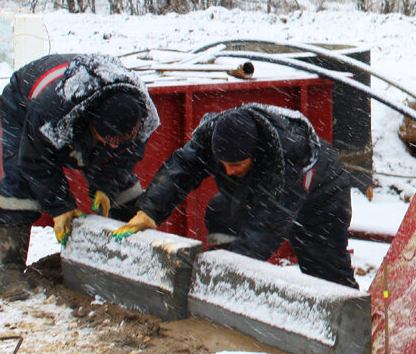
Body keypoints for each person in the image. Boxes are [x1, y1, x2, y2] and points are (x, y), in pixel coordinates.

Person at [113, 104, 358, 289]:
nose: (228, 171)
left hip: (323, 195)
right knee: (220, 212)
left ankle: (356, 332)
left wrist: (229, 268)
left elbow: (266, 230)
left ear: (255, 154)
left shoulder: (292, 156)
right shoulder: (214, 135)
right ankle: (228, 294)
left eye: (237, 164)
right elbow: (182, 167)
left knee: (325, 272)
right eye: (223, 164)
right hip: (261, 188)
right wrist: (150, 211)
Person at [0, 54, 160, 301]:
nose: (113, 148)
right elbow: (35, 161)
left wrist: (107, 186)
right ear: (92, 125)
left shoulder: (143, 115)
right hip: (26, 100)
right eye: (107, 141)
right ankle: (10, 270)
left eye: (119, 143)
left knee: (125, 188)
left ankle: (133, 263)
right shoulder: (54, 108)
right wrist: (60, 207)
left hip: (88, 108)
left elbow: (124, 157)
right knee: (21, 182)